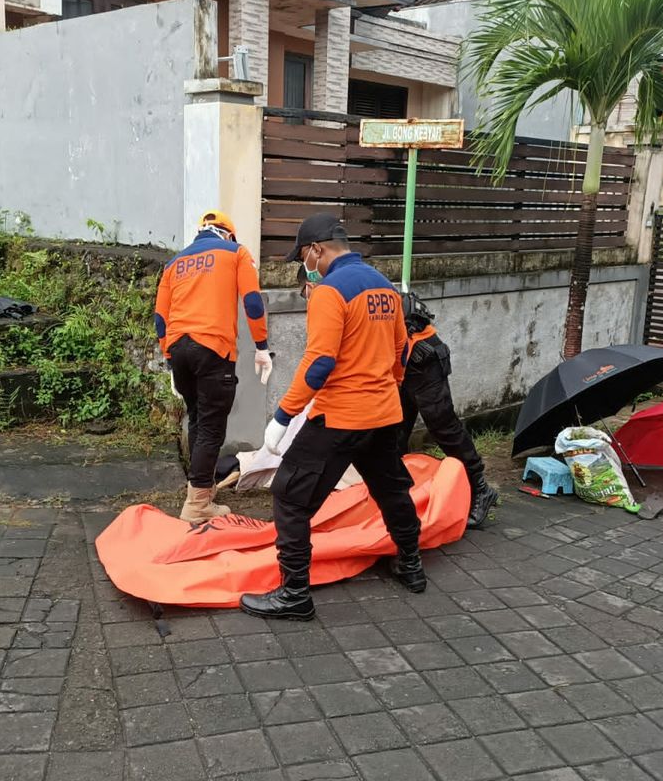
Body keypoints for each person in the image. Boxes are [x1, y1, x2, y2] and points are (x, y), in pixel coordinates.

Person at [239, 213, 425, 620]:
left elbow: (320, 362)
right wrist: (386, 387)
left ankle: (294, 594)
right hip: (384, 414)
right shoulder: (385, 286)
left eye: (303, 256)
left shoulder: (328, 292)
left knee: (290, 495)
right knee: (391, 490)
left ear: (317, 249)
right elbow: (403, 352)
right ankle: (411, 566)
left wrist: (283, 415)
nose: (304, 265)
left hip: (340, 417)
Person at [297, 266, 498, 529]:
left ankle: (480, 488)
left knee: (443, 427)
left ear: (312, 284)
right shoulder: (345, 289)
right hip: (395, 367)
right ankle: (403, 499)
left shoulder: (345, 291)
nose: (307, 299)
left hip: (421, 359)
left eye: (303, 292)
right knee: (394, 433)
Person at [155, 210, 273, 523]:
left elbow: (160, 318)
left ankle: (201, 489)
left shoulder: (174, 263)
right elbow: (251, 301)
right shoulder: (235, 253)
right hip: (212, 348)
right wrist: (261, 346)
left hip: (179, 348)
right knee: (210, 425)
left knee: (197, 419)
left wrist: (169, 358)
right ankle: (196, 506)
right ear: (228, 234)